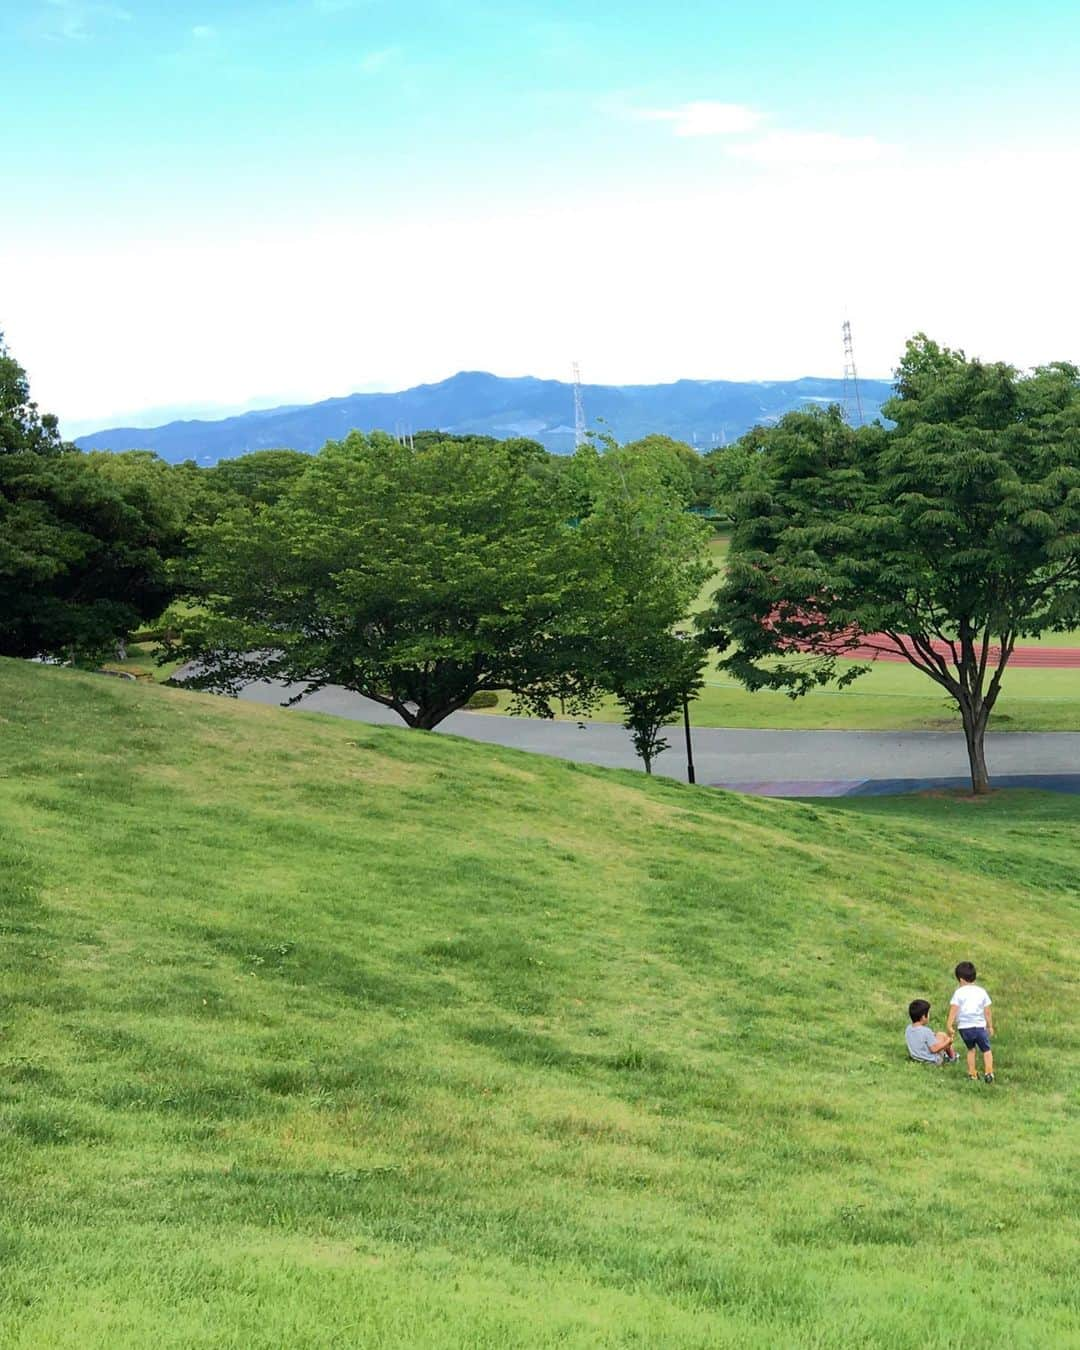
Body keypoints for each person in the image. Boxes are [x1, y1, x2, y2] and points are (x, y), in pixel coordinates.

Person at [947, 961, 995, 1083]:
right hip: (979, 1026)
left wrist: (949, 1024)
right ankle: (989, 1072)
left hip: (964, 1028)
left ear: (961, 980)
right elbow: (987, 1011)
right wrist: (990, 1026)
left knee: (971, 1049)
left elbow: (954, 1009)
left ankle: (972, 1073)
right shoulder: (981, 991)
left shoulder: (958, 993)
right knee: (986, 1050)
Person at [905, 999, 958, 1065]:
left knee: (939, 1035)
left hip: (916, 1058)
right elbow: (934, 1049)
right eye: (928, 1013)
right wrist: (948, 1041)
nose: (929, 1015)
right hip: (932, 1061)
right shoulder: (926, 1031)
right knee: (943, 1036)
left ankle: (950, 1055)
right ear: (923, 1017)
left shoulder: (908, 1028)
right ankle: (953, 1058)